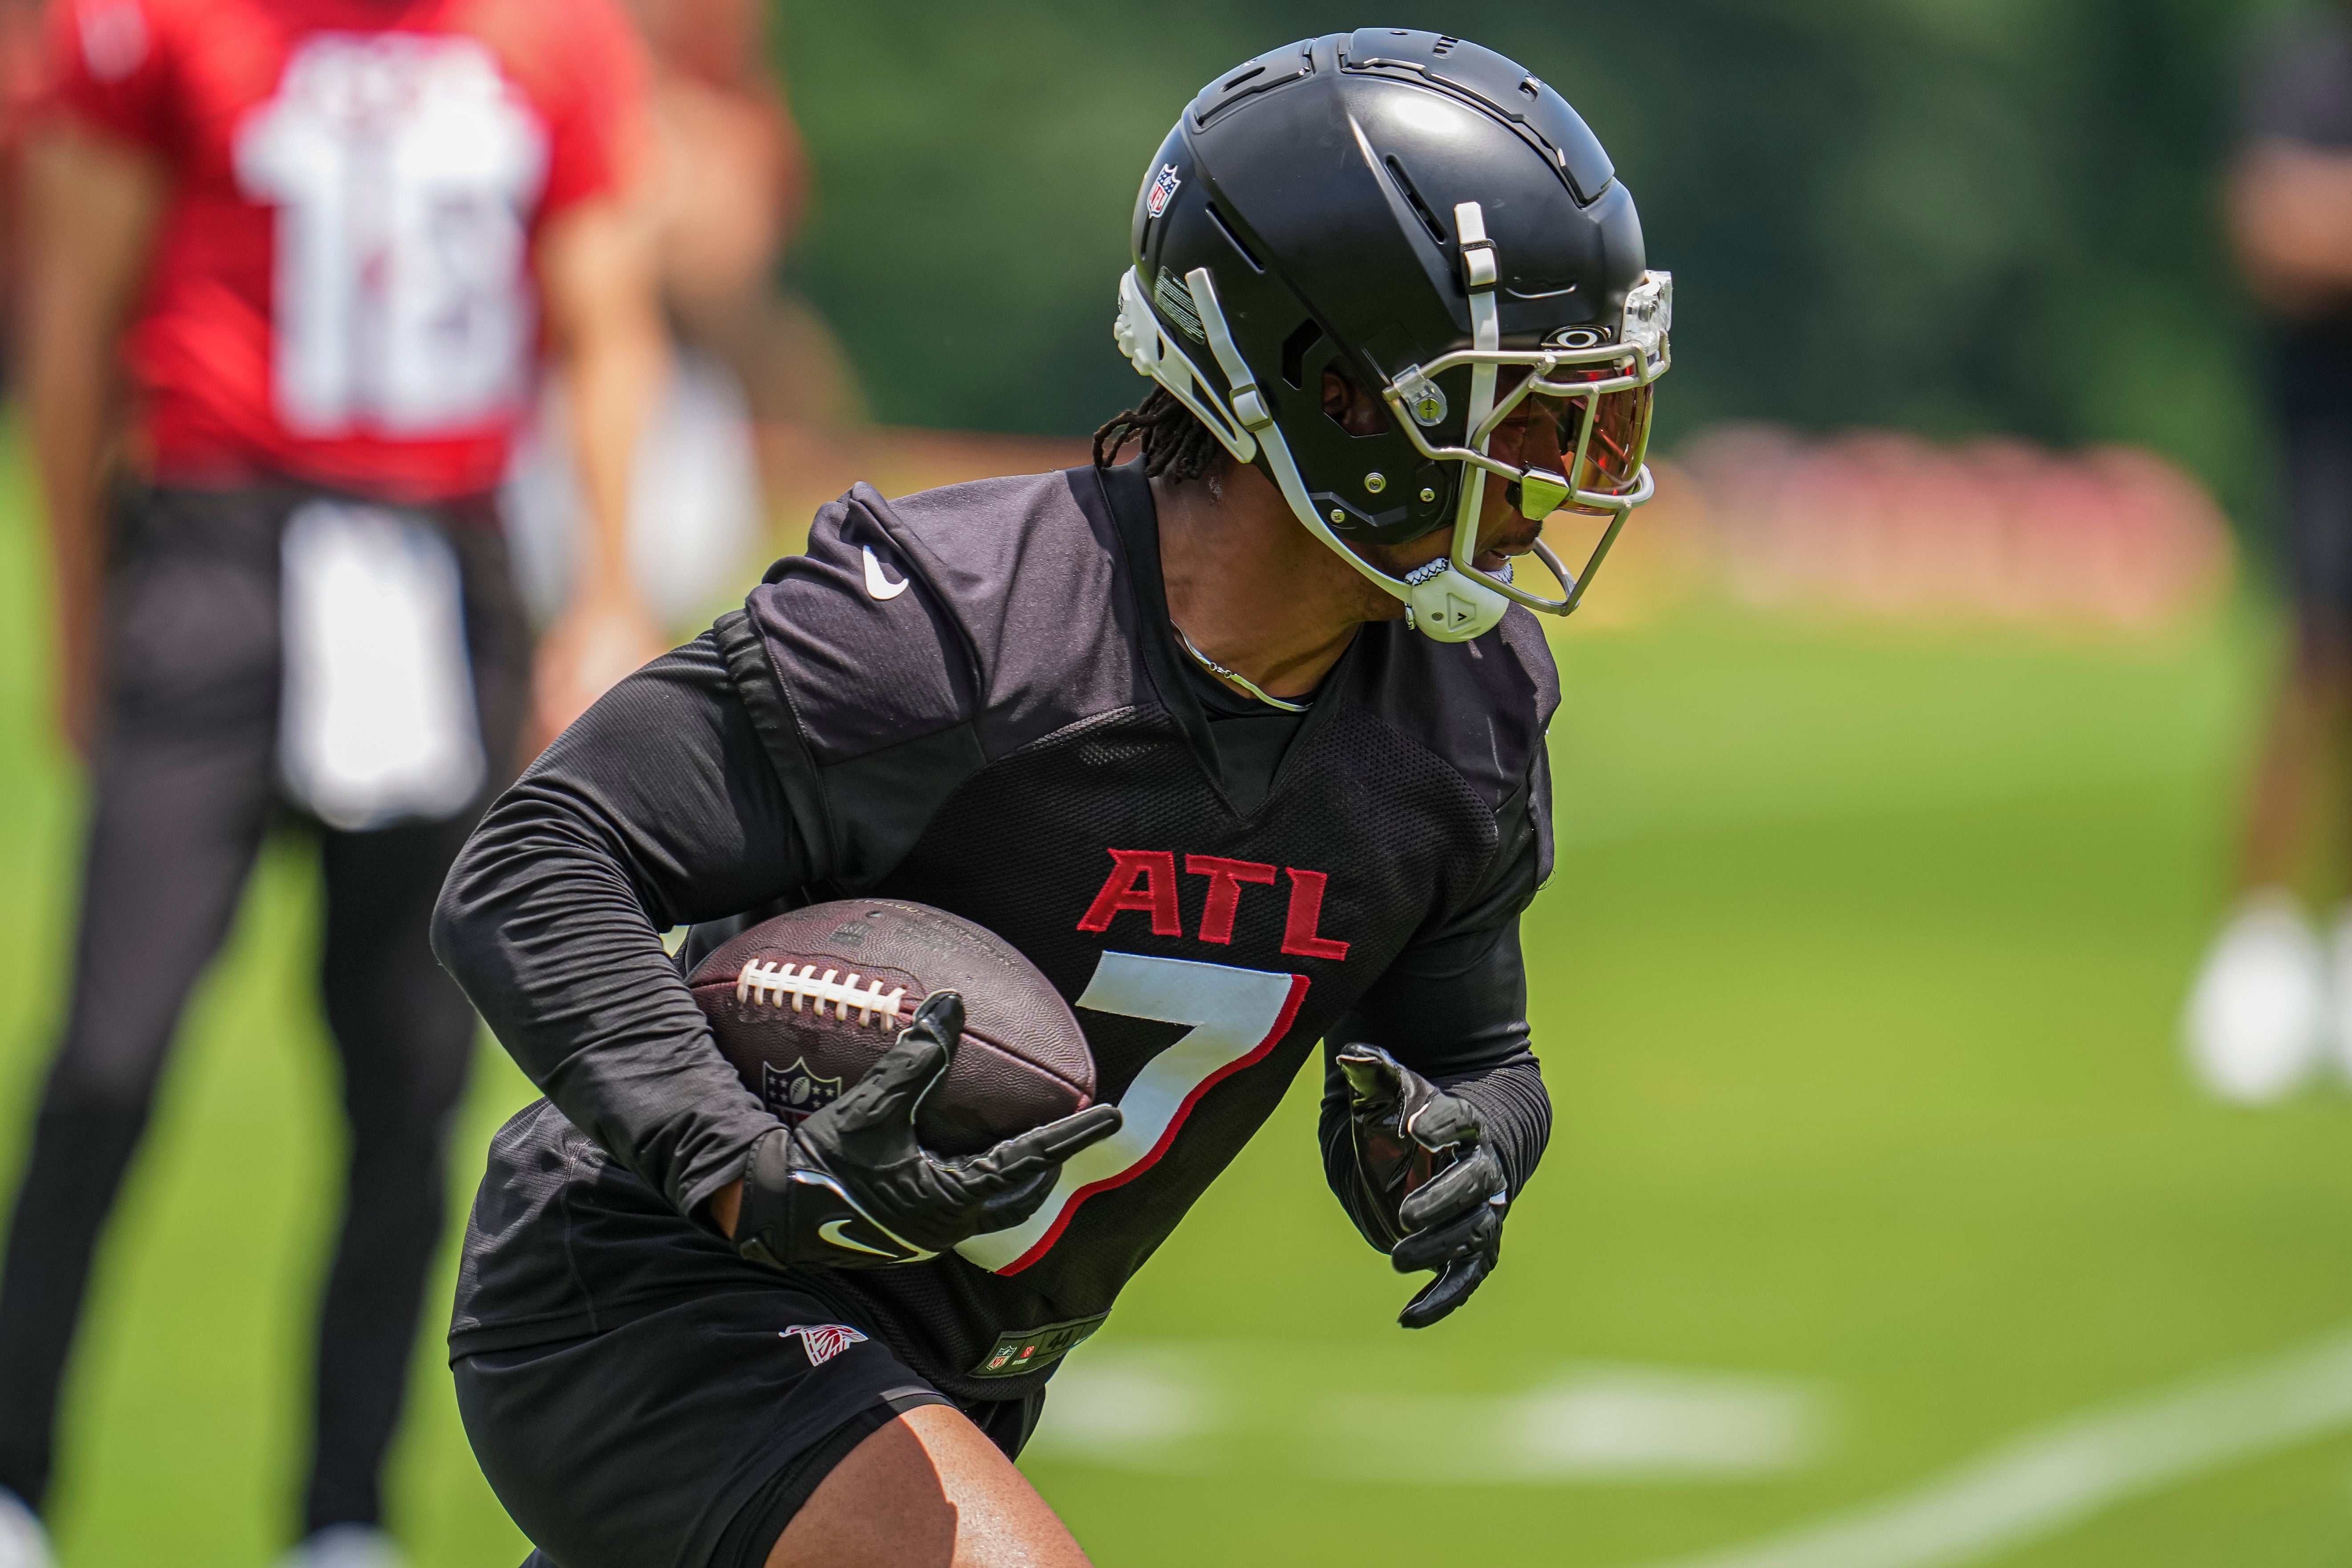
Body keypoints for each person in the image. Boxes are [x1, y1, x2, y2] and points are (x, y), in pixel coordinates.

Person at [432, 28, 1670, 1568]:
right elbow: (535, 858)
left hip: (951, 1358)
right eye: (1513, 408)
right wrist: (747, 1170)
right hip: (666, 1291)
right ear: (1330, 389)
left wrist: (1460, 1141)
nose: (1560, 466)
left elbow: (1472, 1049)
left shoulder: (1463, 707)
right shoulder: (961, 625)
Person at [0, 0, 669, 1564]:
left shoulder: (554, 39)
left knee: (409, 1085)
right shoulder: (160, 25)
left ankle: (342, 1516)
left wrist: (608, 584)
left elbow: (605, 318)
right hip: (219, 542)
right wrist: (84, 594)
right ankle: (14, 1477)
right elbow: (74, 299)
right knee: (106, 1054)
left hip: (444, 554)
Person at [2190, 3, 2352, 1101]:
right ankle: (2259, 954)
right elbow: (2274, 228)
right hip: (2331, 433)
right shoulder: (2312, 78)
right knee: (2315, 669)